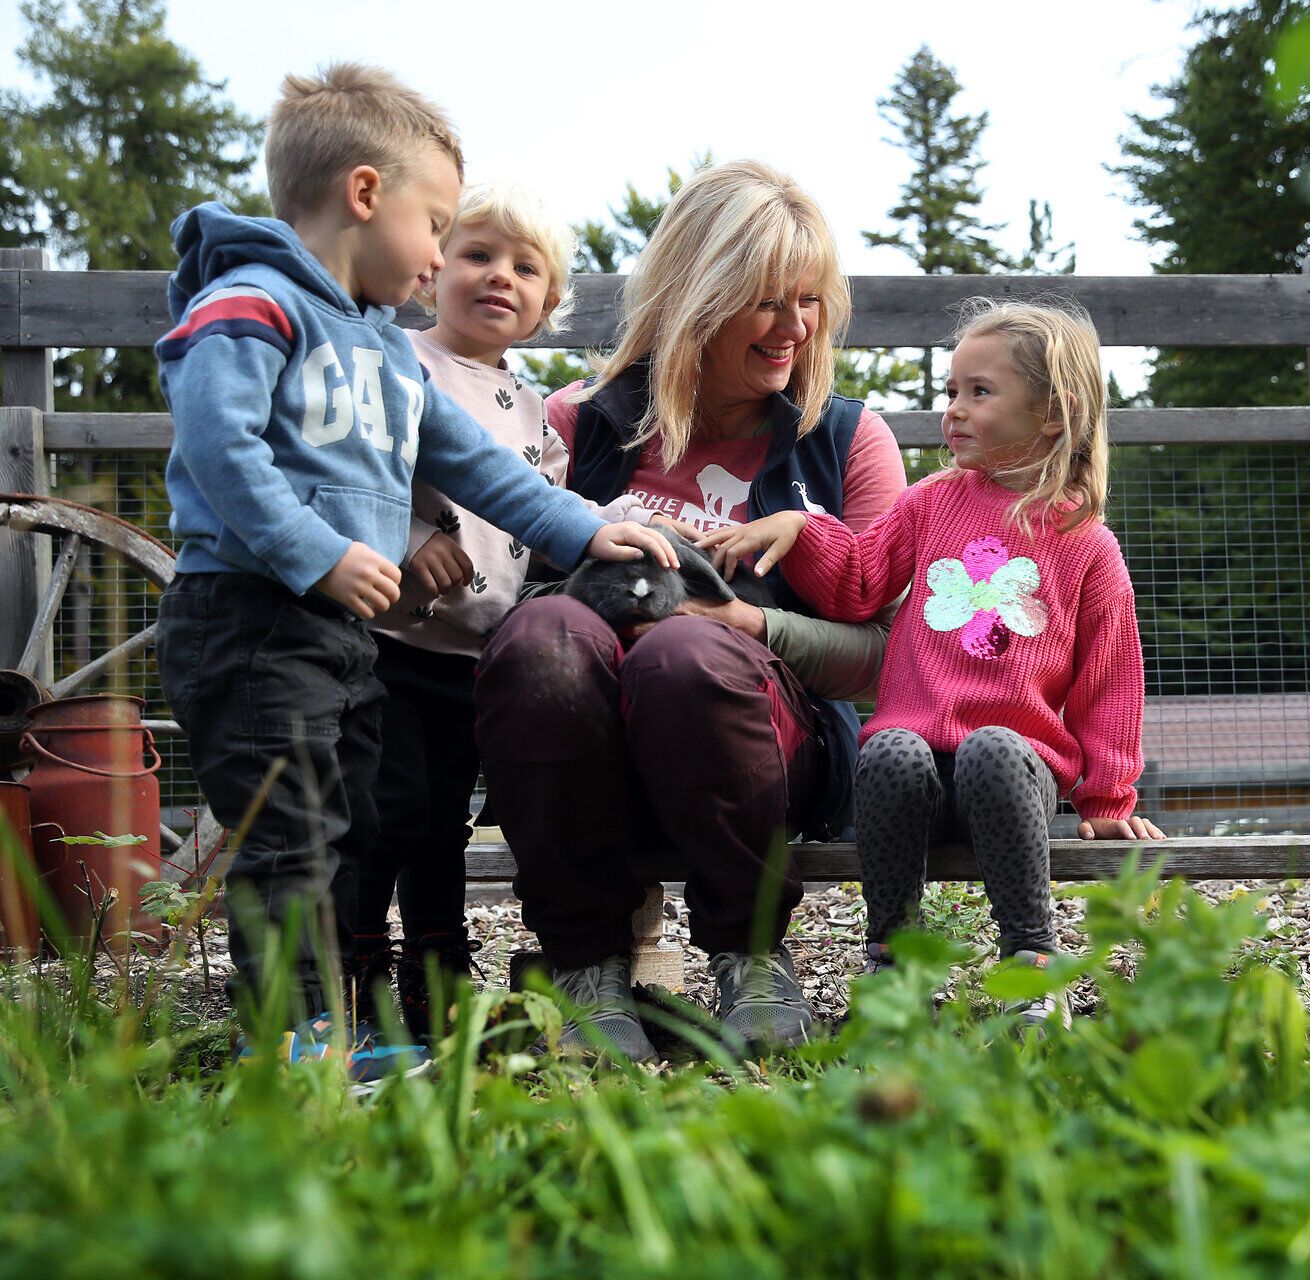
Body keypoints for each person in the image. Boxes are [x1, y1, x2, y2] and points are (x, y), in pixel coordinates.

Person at [152, 64, 674, 1085]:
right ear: (364, 194)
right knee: (290, 833)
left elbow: (477, 464)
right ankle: (287, 1046)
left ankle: (328, 1031)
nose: (438, 254)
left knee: (346, 825)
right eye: (436, 224)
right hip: (250, 616)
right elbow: (218, 446)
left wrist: (582, 531)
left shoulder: (384, 352)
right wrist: (315, 550)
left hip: (335, 633)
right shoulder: (249, 304)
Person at [473, 160, 908, 1059]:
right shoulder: (575, 423)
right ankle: (583, 966)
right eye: (766, 302)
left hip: (763, 752)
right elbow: (498, 598)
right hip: (586, 748)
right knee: (546, 641)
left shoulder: (845, 440)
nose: (796, 328)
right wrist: (609, 605)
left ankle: (753, 955)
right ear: (694, 298)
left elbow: (891, 654)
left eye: (810, 301)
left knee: (686, 660)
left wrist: (754, 626)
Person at [702, 299, 1166, 1033]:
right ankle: (895, 965)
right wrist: (803, 525)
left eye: (979, 392)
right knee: (886, 746)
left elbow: (1109, 679)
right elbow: (860, 583)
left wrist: (1107, 800)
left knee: (994, 747)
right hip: (912, 769)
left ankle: (1031, 962)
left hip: (1013, 773)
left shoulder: (1086, 543)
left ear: (1053, 414)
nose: (953, 409)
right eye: (951, 391)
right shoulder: (931, 503)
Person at [343, 181, 582, 1037]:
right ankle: (355, 965)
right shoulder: (398, 362)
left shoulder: (535, 409)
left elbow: (548, 511)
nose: (499, 277)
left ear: (547, 303)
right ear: (433, 269)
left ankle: (435, 966)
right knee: (383, 807)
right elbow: (350, 466)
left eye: (526, 268)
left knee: (442, 818)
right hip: (386, 634)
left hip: (471, 654)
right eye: (478, 255)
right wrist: (406, 536)